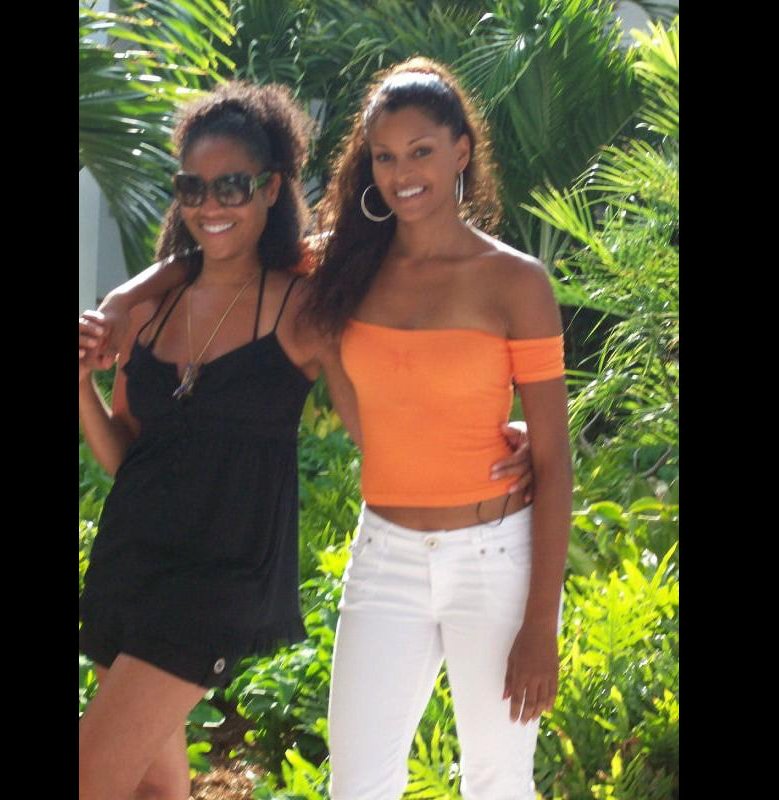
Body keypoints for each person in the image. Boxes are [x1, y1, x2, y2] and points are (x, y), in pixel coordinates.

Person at [78, 80, 533, 800]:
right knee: (155, 790)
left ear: (270, 188)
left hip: (217, 579)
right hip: (128, 567)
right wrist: (84, 380)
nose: (210, 205)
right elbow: (129, 462)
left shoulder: (305, 304)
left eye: (232, 186)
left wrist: (502, 437)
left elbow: (381, 423)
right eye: (192, 187)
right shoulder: (151, 312)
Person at [302, 58, 572, 800]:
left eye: (420, 151)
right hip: (384, 554)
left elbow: (555, 462)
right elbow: (223, 254)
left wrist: (540, 626)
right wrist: (119, 313)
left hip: (493, 559)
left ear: (461, 151)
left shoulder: (515, 282)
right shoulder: (344, 267)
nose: (403, 173)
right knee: (356, 785)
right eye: (385, 157)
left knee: (497, 782)